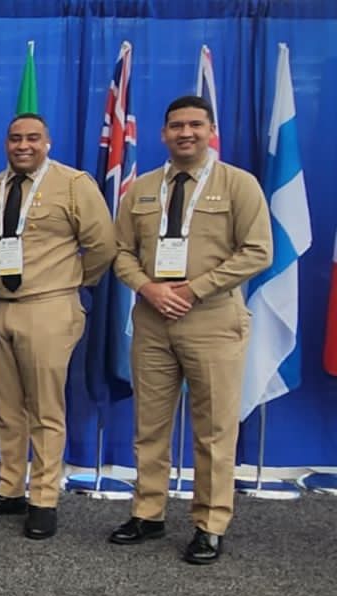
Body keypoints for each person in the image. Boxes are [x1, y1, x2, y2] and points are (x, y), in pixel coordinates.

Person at [108, 95, 271, 565]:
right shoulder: (140, 189)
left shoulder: (238, 185)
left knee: (214, 429)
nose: (185, 133)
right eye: (176, 125)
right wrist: (148, 288)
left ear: (210, 130)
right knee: (150, 426)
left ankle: (209, 524)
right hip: (153, 321)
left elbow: (258, 251)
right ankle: (148, 511)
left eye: (195, 125)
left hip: (213, 321)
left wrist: (195, 289)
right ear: (163, 134)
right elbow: (120, 252)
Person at [0, 114, 116, 540]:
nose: (23, 145)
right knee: (6, 408)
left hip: (48, 306)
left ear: (48, 142)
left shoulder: (73, 184)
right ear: (6, 143)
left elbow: (103, 244)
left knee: (46, 410)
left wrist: (70, 282)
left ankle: (44, 498)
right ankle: (10, 488)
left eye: (33, 138)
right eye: (15, 138)